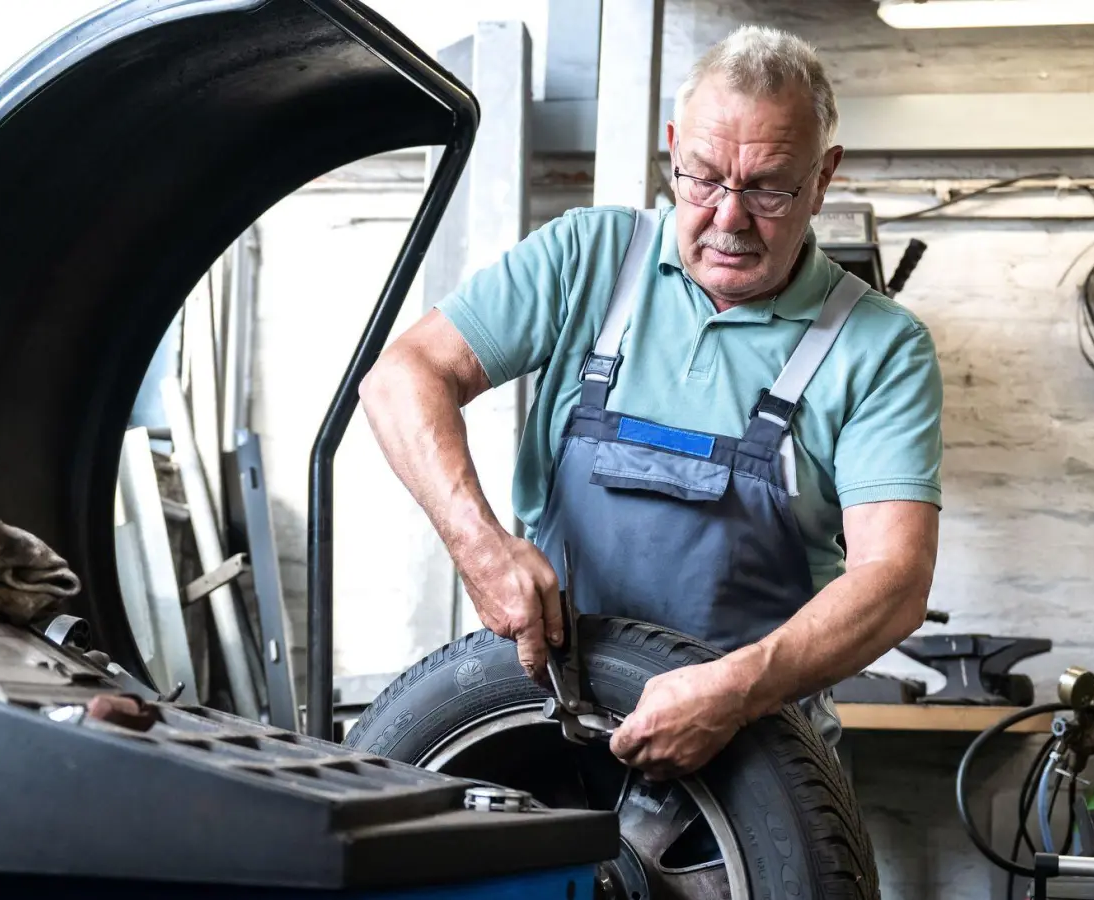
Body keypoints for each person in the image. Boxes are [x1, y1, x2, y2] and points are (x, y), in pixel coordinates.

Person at [360, 25, 942, 780]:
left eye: (767, 187)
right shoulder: (588, 257)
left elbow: (894, 581)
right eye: (702, 177)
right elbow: (401, 376)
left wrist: (734, 691)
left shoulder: (880, 347)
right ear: (672, 149)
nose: (729, 218)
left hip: (750, 757)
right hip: (548, 722)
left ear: (823, 176)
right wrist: (480, 547)